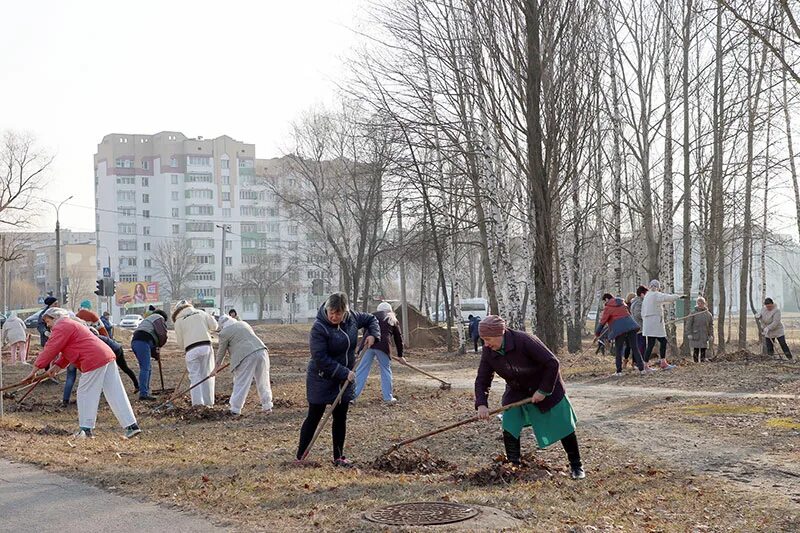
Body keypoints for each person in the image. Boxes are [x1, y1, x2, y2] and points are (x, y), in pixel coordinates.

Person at [474, 315, 585, 479]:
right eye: (483, 339)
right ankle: (514, 466)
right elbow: (482, 378)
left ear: (501, 333)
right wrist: (482, 404)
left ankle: (577, 466)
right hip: (517, 390)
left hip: (547, 386)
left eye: (488, 339)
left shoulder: (524, 340)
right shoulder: (489, 351)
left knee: (563, 426)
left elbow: (552, 363)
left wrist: (543, 390)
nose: (486, 344)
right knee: (510, 423)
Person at [25, 307, 141, 439]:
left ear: (55, 318)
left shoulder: (62, 325)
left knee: (85, 392)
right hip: (105, 355)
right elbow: (68, 350)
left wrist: (34, 370)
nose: (48, 325)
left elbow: (51, 348)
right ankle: (131, 426)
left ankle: (86, 430)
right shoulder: (70, 324)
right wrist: (57, 367)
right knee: (115, 392)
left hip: (93, 358)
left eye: (47, 322)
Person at [296, 292, 379, 467]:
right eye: (331, 312)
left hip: (344, 380)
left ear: (345, 311)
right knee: (314, 416)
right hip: (321, 378)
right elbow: (320, 357)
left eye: (338, 313)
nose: (334, 317)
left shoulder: (353, 318)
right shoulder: (319, 328)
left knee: (340, 417)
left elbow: (372, 319)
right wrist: (342, 372)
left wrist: (372, 334)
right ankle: (301, 455)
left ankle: (339, 457)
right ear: (326, 309)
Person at [211, 315, 273, 416]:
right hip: (261, 350)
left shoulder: (224, 333)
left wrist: (215, 368)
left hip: (246, 356)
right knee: (263, 380)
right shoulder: (244, 324)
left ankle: (235, 409)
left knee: (241, 381)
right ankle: (267, 406)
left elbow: (221, 352)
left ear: (222, 326)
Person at [354, 301, 405, 404]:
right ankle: (388, 398)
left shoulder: (371, 316)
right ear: (390, 310)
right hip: (383, 346)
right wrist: (400, 355)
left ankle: (352, 396)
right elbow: (398, 338)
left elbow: (365, 333)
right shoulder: (391, 318)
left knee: (361, 370)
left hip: (368, 345)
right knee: (385, 370)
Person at [172, 300, 218, 406]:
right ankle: (209, 403)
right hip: (206, 346)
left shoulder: (178, 321)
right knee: (207, 375)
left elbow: (180, 342)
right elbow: (214, 326)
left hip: (191, 350)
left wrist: (187, 349)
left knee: (195, 378)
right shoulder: (201, 313)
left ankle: (197, 405)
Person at [596, 293, 647, 375]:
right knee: (635, 348)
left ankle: (619, 371)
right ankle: (642, 369)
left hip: (619, 329)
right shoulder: (622, 303)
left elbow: (602, 321)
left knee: (618, 349)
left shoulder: (608, 307)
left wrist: (597, 333)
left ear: (606, 299)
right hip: (631, 326)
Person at [641, 280, 685, 370]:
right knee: (663, 341)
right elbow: (666, 297)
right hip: (655, 324)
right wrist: (678, 296)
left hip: (648, 324)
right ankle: (663, 362)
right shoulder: (655, 294)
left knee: (650, 344)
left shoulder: (647, 296)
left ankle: (645, 365)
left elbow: (663, 300)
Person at [131, 309, 169, 401]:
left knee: (147, 368)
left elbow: (153, 337)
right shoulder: (158, 317)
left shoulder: (148, 320)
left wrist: (156, 353)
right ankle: (143, 394)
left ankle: (145, 390)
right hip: (143, 341)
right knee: (145, 368)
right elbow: (162, 334)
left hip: (136, 342)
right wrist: (160, 345)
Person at [685, 297, 713, 362]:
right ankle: (695, 363)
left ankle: (702, 363)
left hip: (704, 335)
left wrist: (711, 335)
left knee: (703, 350)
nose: (700, 304)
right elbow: (688, 324)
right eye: (699, 303)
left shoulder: (708, 314)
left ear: (704, 303)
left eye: (702, 303)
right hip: (695, 335)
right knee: (696, 350)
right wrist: (689, 333)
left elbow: (710, 326)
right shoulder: (693, 313)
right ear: (697, 303)